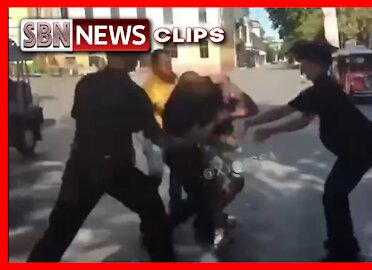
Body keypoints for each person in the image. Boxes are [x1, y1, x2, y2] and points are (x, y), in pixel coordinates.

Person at [243, 41, 372, 262]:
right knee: (334, 194)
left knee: (333, 194)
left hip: (360, 148)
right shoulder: (323, 87)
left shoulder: (322, 89)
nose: (301, 69)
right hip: (359, 147)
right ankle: (342, 244)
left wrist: (260, 126)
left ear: (314, 64)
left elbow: (288, 114)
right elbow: (299, 118)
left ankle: (344, 250)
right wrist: (262, 127)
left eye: (303, 64)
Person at [27, 52, 176, 262]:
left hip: (81, 166)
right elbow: (154, 134)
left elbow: (79, 116)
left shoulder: (86, 83)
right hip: (115, 168)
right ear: (126, 58)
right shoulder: (133, 92)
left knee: (59, 231)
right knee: (154, 212)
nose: (137, 60)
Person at [162, 75, 229, 247]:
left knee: (203, 195)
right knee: (200, 197)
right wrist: (215, 120)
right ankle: (162, 227)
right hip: (180, 156)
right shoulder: (177, 107)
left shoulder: (186, 102)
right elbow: (197, 135)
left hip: (189, 155)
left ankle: (204, 228)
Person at [140, 49, 177, 186]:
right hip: (156, 137)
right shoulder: (150, 88)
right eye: (165, 63)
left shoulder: (175, 81)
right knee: (158, 175)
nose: (169, 65)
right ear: (155, 66)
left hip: (175, 136)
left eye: (169, 62)